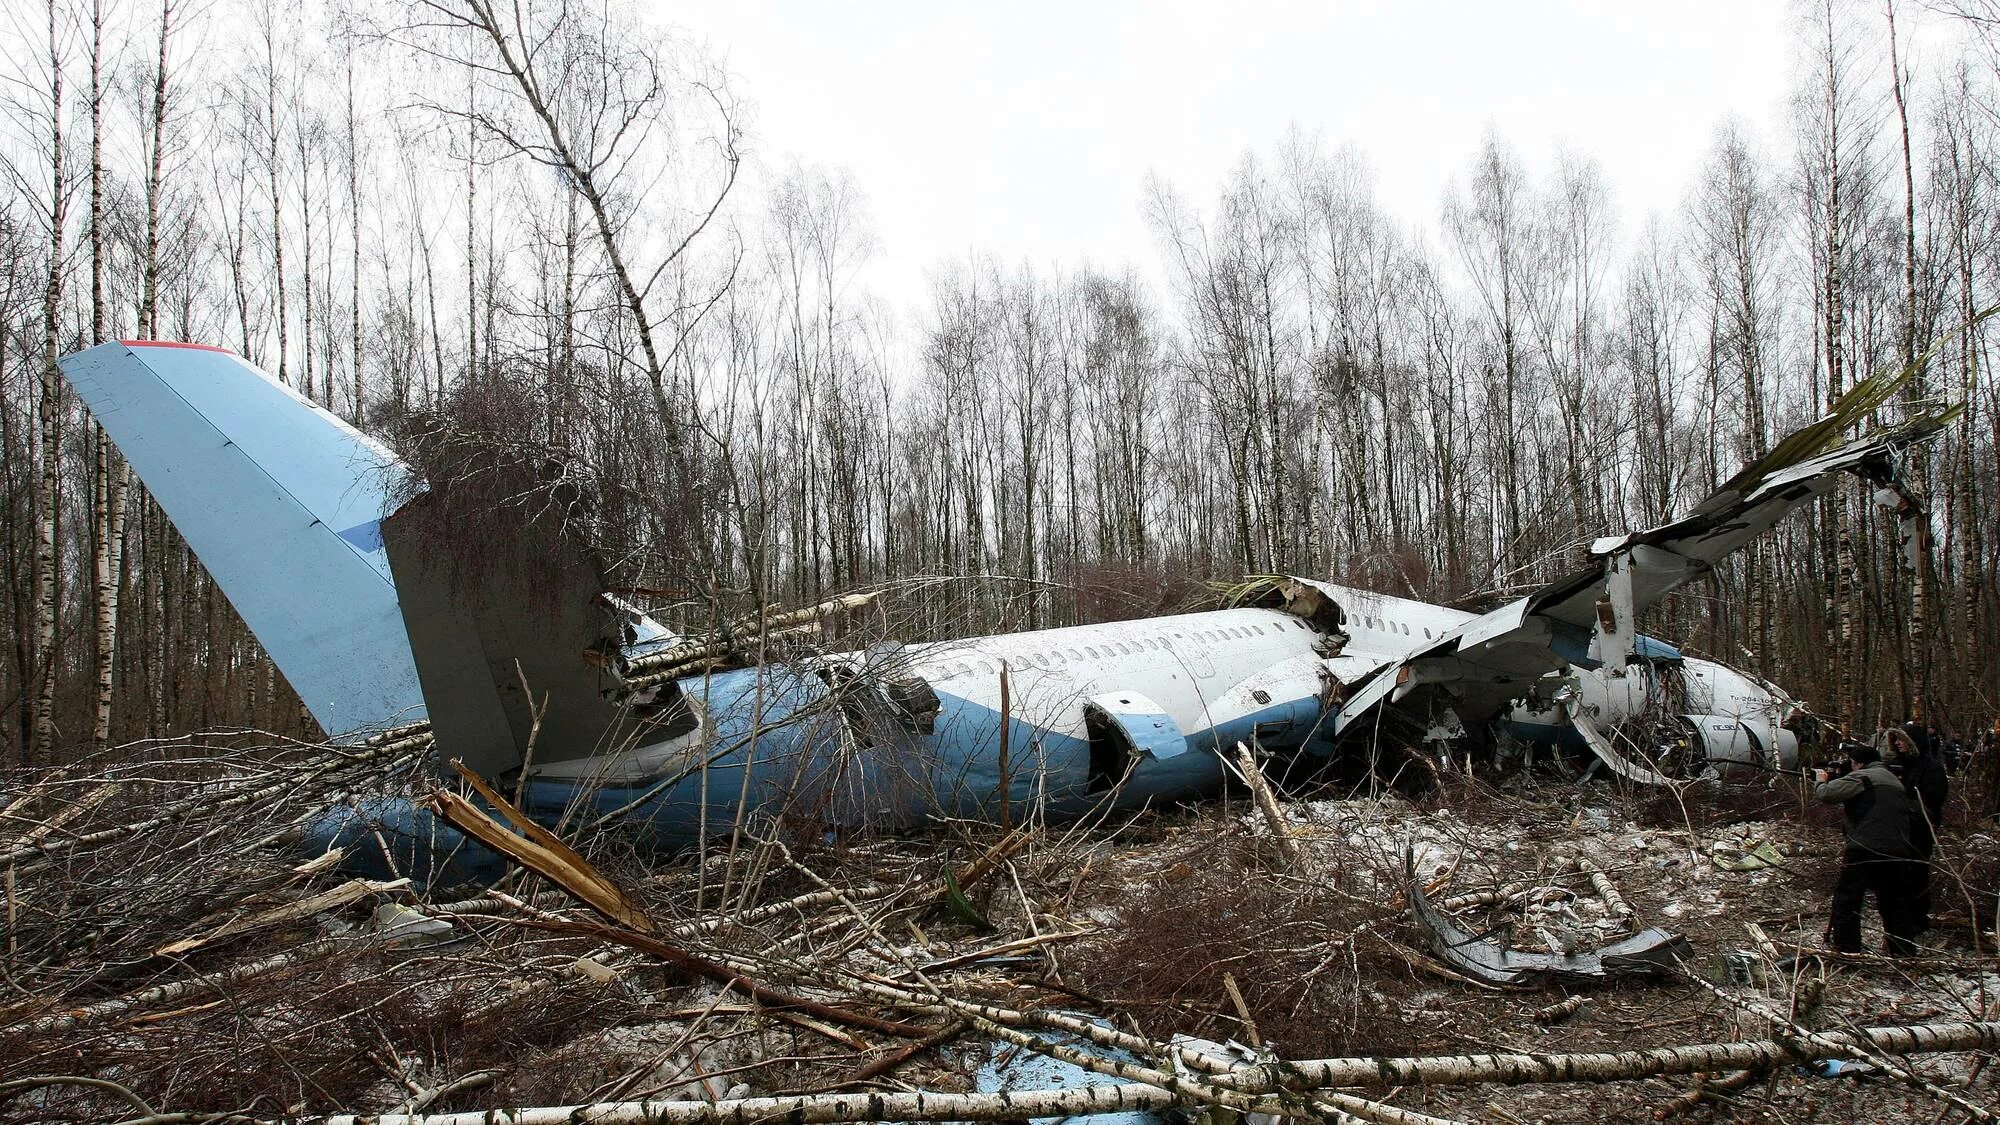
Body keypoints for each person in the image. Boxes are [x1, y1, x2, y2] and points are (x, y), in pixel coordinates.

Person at [1814, 740, 1925, 954]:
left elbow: (1827, 794)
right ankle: (1902, 951)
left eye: (1852, 763)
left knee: (1848, 898)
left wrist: (1820, 780)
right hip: (1897, 849)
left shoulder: (1864, 776)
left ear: (1859, 764)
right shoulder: (1893, 780)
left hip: (1865, 846)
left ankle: (1847, 947)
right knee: (1893, 901)